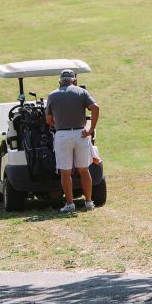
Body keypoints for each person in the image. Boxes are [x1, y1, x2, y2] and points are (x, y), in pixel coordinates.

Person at [46, 68, 100, 213]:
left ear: (60, 81)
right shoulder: (81, 92)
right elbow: (95, 107)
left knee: (65, 172)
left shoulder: (52, 95)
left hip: (62, 135)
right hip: (81, 134)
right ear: (74, 80)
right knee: (84, 170)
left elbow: (48, 120)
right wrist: (91, 129)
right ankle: (88, 202)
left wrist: (57, 124)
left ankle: (70, 204)